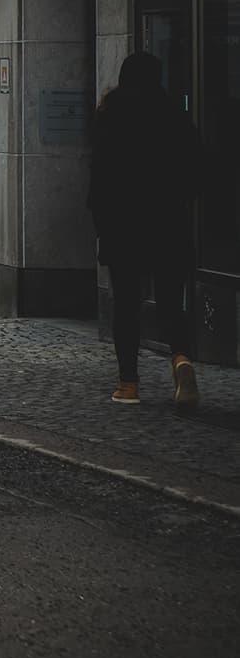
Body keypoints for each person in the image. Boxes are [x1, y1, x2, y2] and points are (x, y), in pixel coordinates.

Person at [89, 52, 204, 408]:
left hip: (123, 227)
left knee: (126, 305)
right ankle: (181, 359)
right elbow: (196, 174)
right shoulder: (175, 116)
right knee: (171, 303)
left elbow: (99, 179)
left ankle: (128, 385)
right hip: (168, 223)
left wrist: (101, 223)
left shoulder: (110, 117)